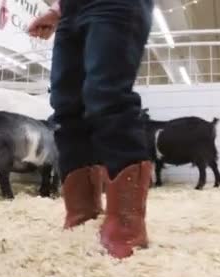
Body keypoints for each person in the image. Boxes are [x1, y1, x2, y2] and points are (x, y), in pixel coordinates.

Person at [28, 0, 154, 259]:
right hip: (70, 10)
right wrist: (57, 10)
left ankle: (126, 225)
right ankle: (81, 215)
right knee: (66, 106)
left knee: (107, 96)